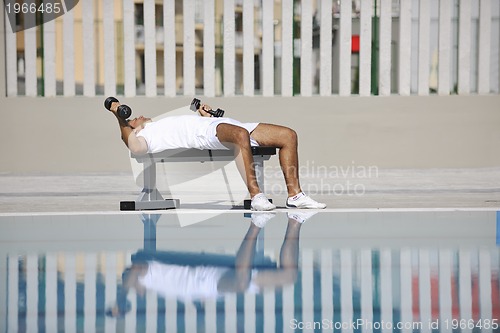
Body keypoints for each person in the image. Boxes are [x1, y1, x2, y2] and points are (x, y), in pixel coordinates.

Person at [107, 99, 326, 211]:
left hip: (221, 125)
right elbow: (134, 147)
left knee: (289, 135)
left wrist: (204, 115)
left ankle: (295, 196)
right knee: (239, 134)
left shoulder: (160, 123)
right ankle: (256, 196)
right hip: (206, 134)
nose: (141, 116)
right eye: (135, 118)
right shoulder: (145, 135)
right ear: (131, 126)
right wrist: (118, 114)